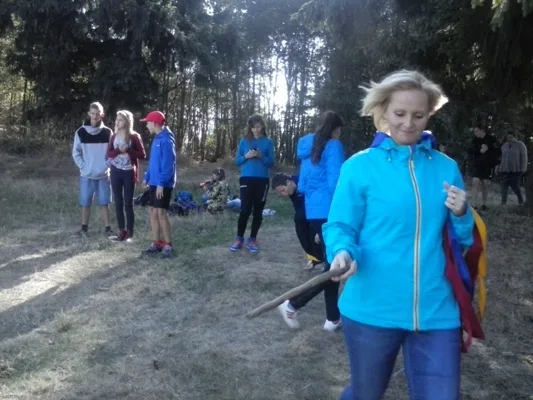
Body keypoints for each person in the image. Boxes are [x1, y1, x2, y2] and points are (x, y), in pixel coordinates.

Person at [322, 70, 474, 399]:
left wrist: (462, 214)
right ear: (384, 112)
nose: (408, 123)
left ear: (429, 114)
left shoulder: (446, 167)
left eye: (418, 115)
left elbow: (463, 241)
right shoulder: (359, 167)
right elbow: (340, 226)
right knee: (366, 394)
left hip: (437, 311)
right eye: (400, 113)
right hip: (371, 308)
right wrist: (342, 250)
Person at [277, 110, 345, 332]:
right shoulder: (333, 146)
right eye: (340, 130)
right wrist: (343, 207)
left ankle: (332, 318)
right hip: (330, 210)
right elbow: (336, 182)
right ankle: (293, 304)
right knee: (333, 267)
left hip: (314, 212)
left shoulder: (308, 148)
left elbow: (303, 186)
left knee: (331, 264)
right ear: (335, 129)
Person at [229, 114, 274, 253]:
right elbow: (237, 161)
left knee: (258, 211)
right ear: (250, 127)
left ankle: (253, 238)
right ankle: (239, 238)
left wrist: (260, 156)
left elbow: (271, 163)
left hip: (262, 180)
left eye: (258, 126)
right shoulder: (244, 141)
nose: (256, 129)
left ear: (263, 126)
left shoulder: (268, 142)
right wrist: (246, 156)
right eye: (253, 127)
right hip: (246, 179)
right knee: (245, 209)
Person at [72, 101, 114, 238]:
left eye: (98, 114)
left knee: (104, 203)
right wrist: (84, 166)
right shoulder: (81, 132)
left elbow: (112, 153)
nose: (95, 116)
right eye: (93, 113)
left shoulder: (108, 132)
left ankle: (108, 229)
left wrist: (106, 166)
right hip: (86, 175)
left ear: (102, 115)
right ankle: (84, 229)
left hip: (104, 175)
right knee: (85, 203)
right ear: (89, 114)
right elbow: (76, 153)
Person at [140, 111, 177, 258]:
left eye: (148, 123)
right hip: (154, 182)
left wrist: (162, 183)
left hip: (164, 184)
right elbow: (153, 162)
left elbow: (168, 165)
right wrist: (147, 177)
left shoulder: (167, 140)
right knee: (152, 211)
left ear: (155, 123)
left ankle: (168, 246)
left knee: (161, 212)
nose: (147, 125)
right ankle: (156, 244)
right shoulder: (156, 139)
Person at [106, 110, 147, 241]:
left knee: (128, 203)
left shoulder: (134, 137)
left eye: (121, 119)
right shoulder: (114, 136)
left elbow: (143, 155)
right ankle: (121, 231)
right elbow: (109, 154)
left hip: (129, 172)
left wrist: (129, 150)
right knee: (118, 202)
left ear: (127, 122)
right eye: (117, 119)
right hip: (115, 172)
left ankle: (130, 233)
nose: (117, 122)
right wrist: (118, 150)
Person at [271, 172, 323, 269]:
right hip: (305, 215)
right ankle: (315, 257)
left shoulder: (304, 183)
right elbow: (298, 208)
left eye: (283, 190)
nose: (283, 194)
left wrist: (318, 230)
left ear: (288, 182)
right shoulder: (292, 191)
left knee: (314, 231)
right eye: (280, 193)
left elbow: (318, 205)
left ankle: (324, 258)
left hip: (318, 212)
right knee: (300, 226)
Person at [467, 123, 500, 211]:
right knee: (475, 182)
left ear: (482, 130)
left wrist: (488, 150)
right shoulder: (474, 140)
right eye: (474, 132)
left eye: (477, 131)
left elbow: (498, 151)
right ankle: (473, 204)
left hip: (487, 165)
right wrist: (479, 150)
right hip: (477, 164)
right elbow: (469, 150)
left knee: (485, 184)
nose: (475, 133)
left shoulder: (491, 139)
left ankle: (484, 204)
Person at [499, 131, 528, 205]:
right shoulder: (505, 145)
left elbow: (524, 158)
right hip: (505, 170)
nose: (509, 139)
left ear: (515, 137)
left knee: (515, 186)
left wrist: (523, 169)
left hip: (516, 170)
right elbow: (502, 157)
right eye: (508, 137)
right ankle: (503, 203)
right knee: (503, 186)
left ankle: (521, 201)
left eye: (511, 137)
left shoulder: (520, 145)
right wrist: (499, 167)